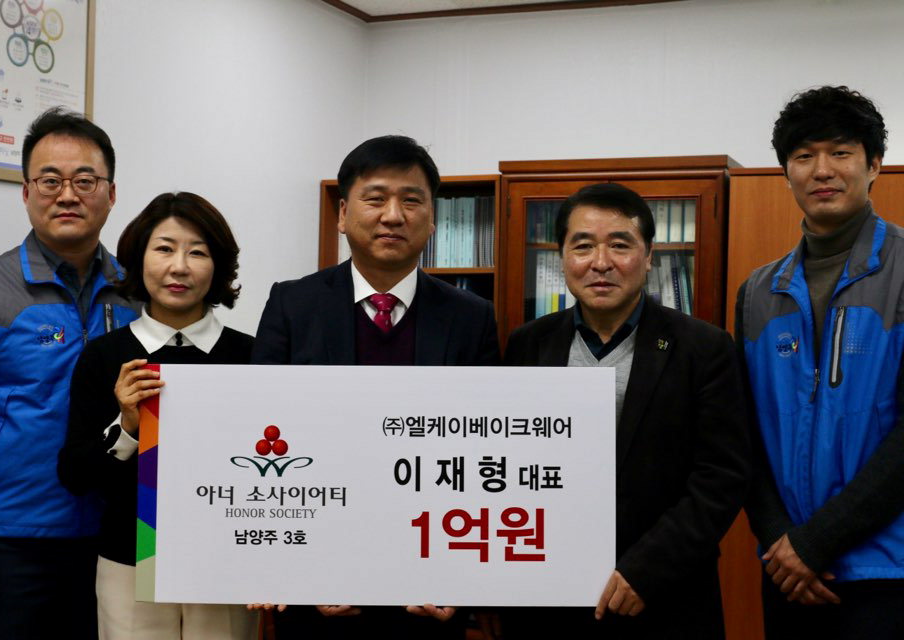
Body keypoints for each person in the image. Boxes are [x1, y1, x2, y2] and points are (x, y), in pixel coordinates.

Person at [251, 134, 499, 639]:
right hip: (316, 587)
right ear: (343, 214)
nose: (393, 215)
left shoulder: (472, 317)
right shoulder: (292, 305)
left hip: (427, 591)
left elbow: (484, 450)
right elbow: (260, 431)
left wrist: (459, 579)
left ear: (433, 219)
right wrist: (299, 571)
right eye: (376, 198)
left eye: (412, 200)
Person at [502, 183, 749, 638]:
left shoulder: (704, 348)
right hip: (547, 593)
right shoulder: (528, 344)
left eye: (620, 245)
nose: (601, 262)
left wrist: (647, 569)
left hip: (663, 597)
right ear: (562, 257)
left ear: (648, 255)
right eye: (583, 246)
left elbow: (721, 476)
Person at [0, 107, 137, 638]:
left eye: (85, 180)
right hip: (7, 542)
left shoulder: (137, 293)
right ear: (26, 193)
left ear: (111, 194)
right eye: (50, 180)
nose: (67, 195)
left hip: (114, 538)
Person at [737, 86, 904, 639]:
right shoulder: (758, 292)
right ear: (786, 172)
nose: (822, 170)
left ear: (874, 164)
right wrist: (781, 542)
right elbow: (745, 433)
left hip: (886, 571)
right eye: (804, 155)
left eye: (840, 152)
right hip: (786, 571)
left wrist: (817, 542)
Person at [58, 192, 258, 639]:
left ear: (219, 266)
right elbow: (75, 475)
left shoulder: (252, 355)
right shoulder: (104, 356)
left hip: (225, 560)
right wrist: (127, 426)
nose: (179, 267)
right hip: (129, 559)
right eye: (164, 249)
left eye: (197, 252)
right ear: (138, 259)